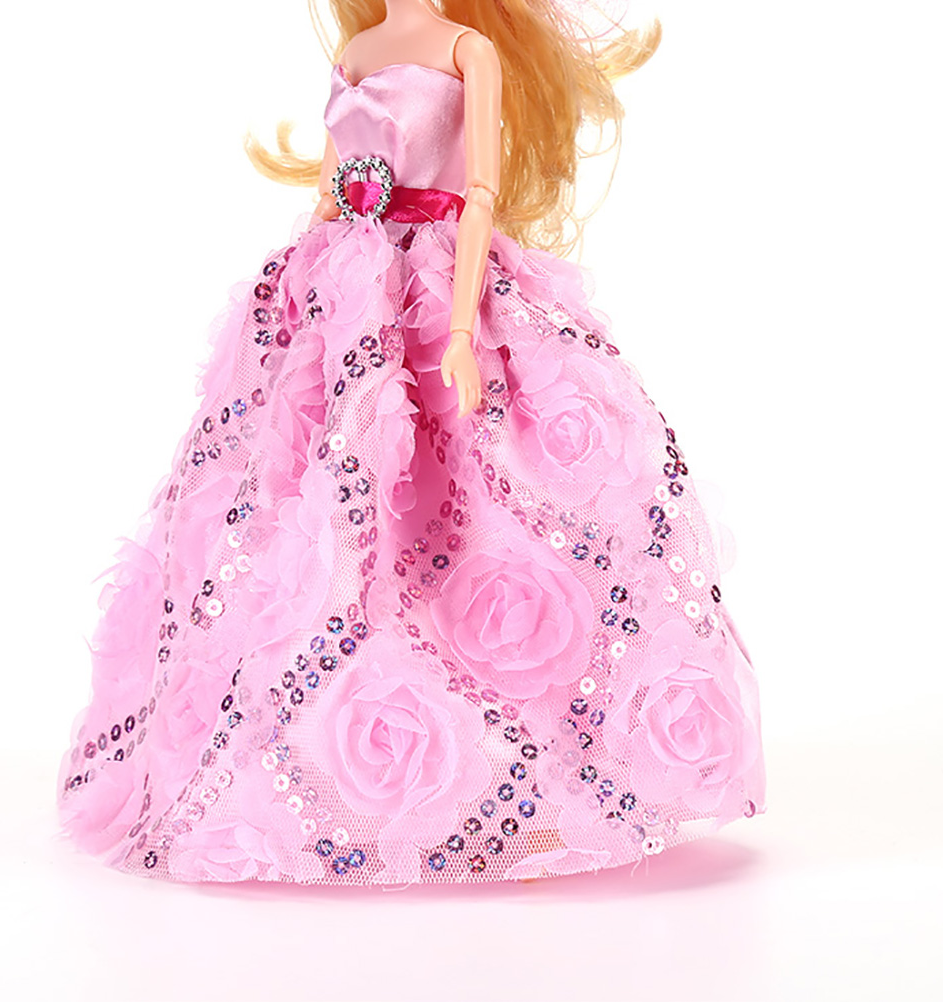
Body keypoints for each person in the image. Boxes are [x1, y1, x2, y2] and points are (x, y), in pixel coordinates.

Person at [55, 0, 767, 886]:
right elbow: (333, 188)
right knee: (326, 514)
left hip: (441, 286)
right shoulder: (359, 51)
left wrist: (461, 330)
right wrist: (300, 292)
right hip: (347, 291)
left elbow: (479, 194)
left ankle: (519, 769)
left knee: (478, 504)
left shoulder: (470, 50)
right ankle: (323, 763)